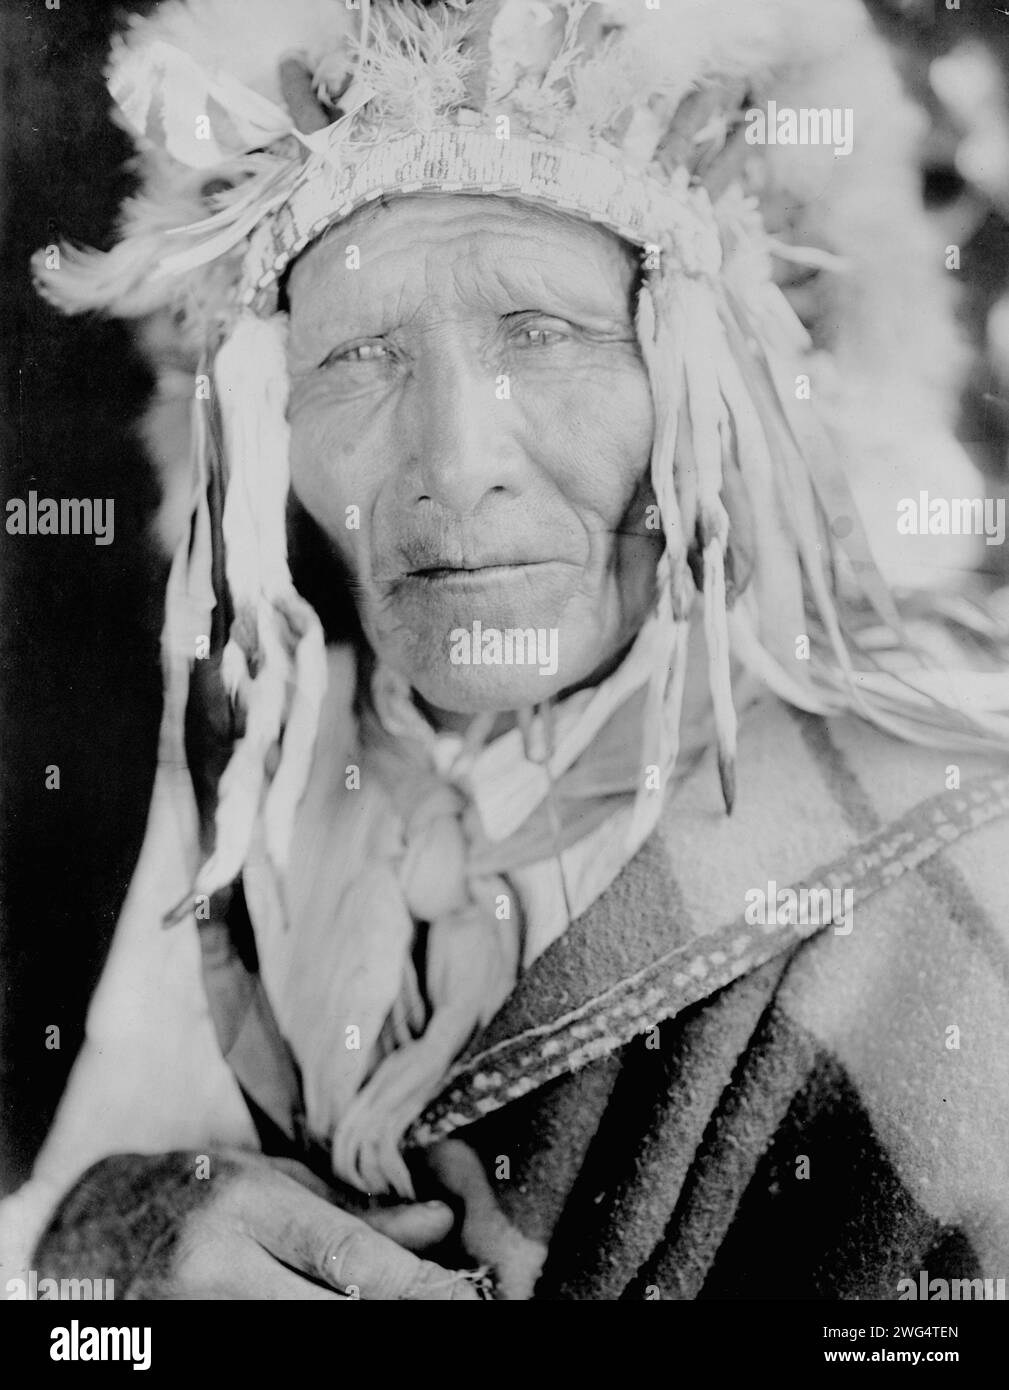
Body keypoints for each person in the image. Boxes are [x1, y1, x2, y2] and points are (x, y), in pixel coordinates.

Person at [2, 0, 1009, 1301]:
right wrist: (123, 1233)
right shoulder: (260, 764)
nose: (452, 465)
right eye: (358, 354)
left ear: (712, 383)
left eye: (544, 334)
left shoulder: (951, 887)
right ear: (266, 406)